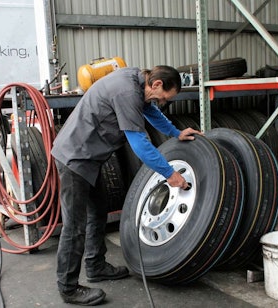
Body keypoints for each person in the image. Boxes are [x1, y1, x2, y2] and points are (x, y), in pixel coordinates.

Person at [51, 65, 203, 306]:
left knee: (98, 212)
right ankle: (68, 288)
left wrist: (176, 132)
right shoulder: (126, 92)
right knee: (75, 226)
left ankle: (95, 266)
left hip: (88, 157)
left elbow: (151, 113)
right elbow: (140, 145)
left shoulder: (138, 82)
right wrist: (169, 174)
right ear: (156, 85)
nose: (163, 102)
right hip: (75, 158)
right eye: (164, 98)